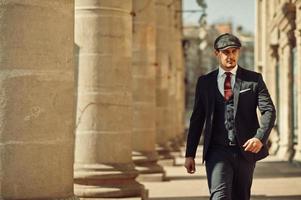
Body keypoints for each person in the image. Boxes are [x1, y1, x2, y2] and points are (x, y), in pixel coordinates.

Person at [184, 33, 276, 200]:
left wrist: (259, 138)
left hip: (245, 151)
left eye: (234, 51)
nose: (231, 56)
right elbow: (197, 119)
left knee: (241, 197)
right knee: (220, 197)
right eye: (226, 52)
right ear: (217, 53)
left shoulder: (253, 80)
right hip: (216, 151)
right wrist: (189, 153)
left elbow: (269, 110)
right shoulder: (205, 82)